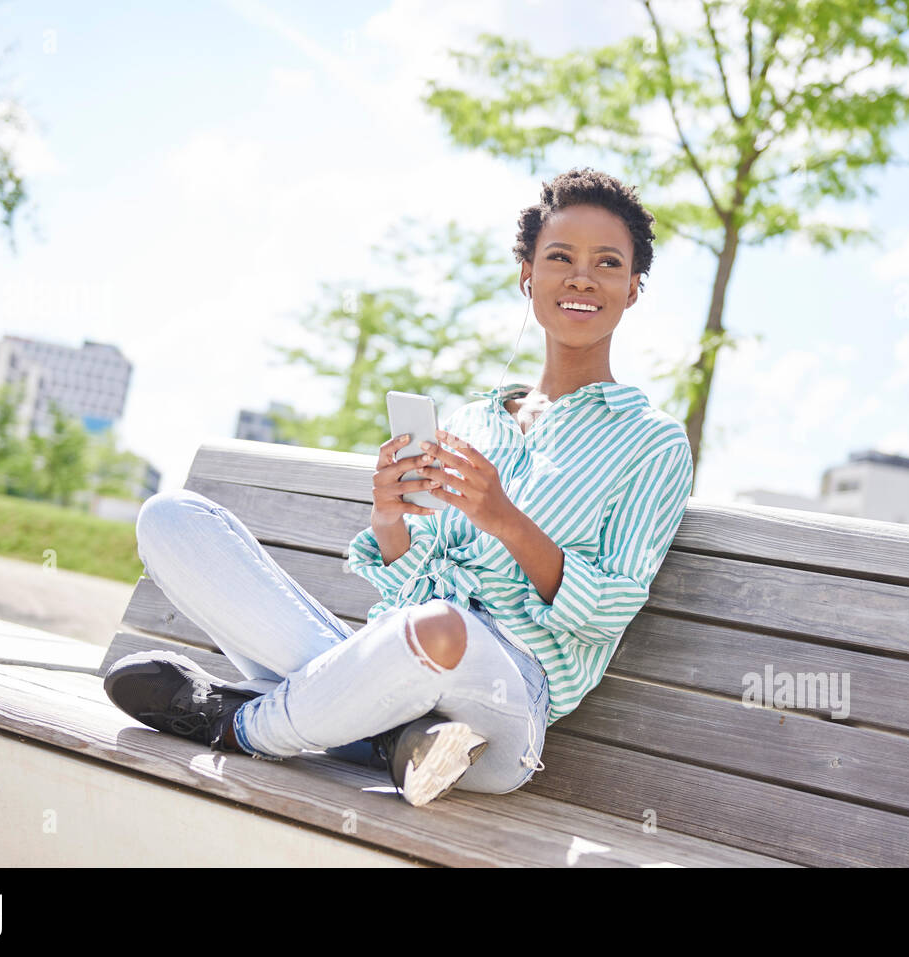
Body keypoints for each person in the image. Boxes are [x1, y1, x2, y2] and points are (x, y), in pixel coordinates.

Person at [103, 167, 694, 808]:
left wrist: (506, 520)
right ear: (528, 275)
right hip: (388, 667)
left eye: (607, 263)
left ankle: (237, 721)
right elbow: (409, 587)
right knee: (173, 518)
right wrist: (391, 522)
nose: (583, 276)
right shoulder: (474, 422)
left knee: (441, 629)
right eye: (561, 257)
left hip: (499, 707)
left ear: (633, 290)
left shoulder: (652, 443)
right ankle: (389, 740)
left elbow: (606, 611)